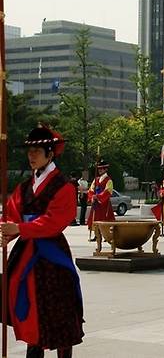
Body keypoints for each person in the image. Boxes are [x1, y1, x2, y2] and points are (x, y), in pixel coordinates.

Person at [0, 125, 84, 358]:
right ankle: (33, 350)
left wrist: (19, 228)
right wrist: (6, 231)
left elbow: (54, 221)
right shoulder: (25, 186)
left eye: (37, 151)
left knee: (60, 310)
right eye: (30, 152)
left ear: (50, 153)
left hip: (52, 253)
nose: (31, 156)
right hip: (27, 251)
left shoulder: (64, 186)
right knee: (30, 309)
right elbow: (12, 213)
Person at [86, 160, 115, 241]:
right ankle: (97, 235)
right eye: (99, 169)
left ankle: (107, 236)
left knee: (105, 218)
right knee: (95, 218)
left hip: (104, 203)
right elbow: (91, 190)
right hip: (96, 203)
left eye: (102, 169)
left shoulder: (108, 180)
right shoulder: (96, 179)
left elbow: (108, 191)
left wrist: (98, 197)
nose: (100, 171)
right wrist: (92, 196)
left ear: (106, 169)